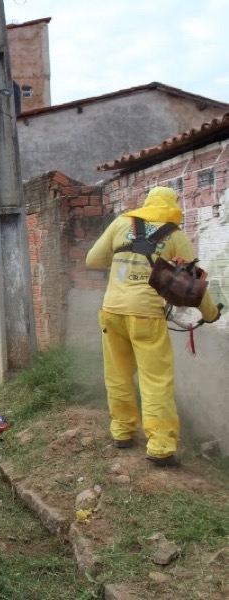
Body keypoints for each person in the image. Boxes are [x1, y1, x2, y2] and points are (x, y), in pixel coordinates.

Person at [86, 186, 222, 467]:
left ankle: (122, 432)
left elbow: (93, 260)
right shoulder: (174, 235)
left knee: (118, 375)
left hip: (112, 311)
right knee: (155, 381)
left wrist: (124, 259)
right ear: (172, 206)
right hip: (146, 315)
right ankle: (160, 446)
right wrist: (210, 314)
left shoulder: (122, 223)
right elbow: (195, 284)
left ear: (147, 203)